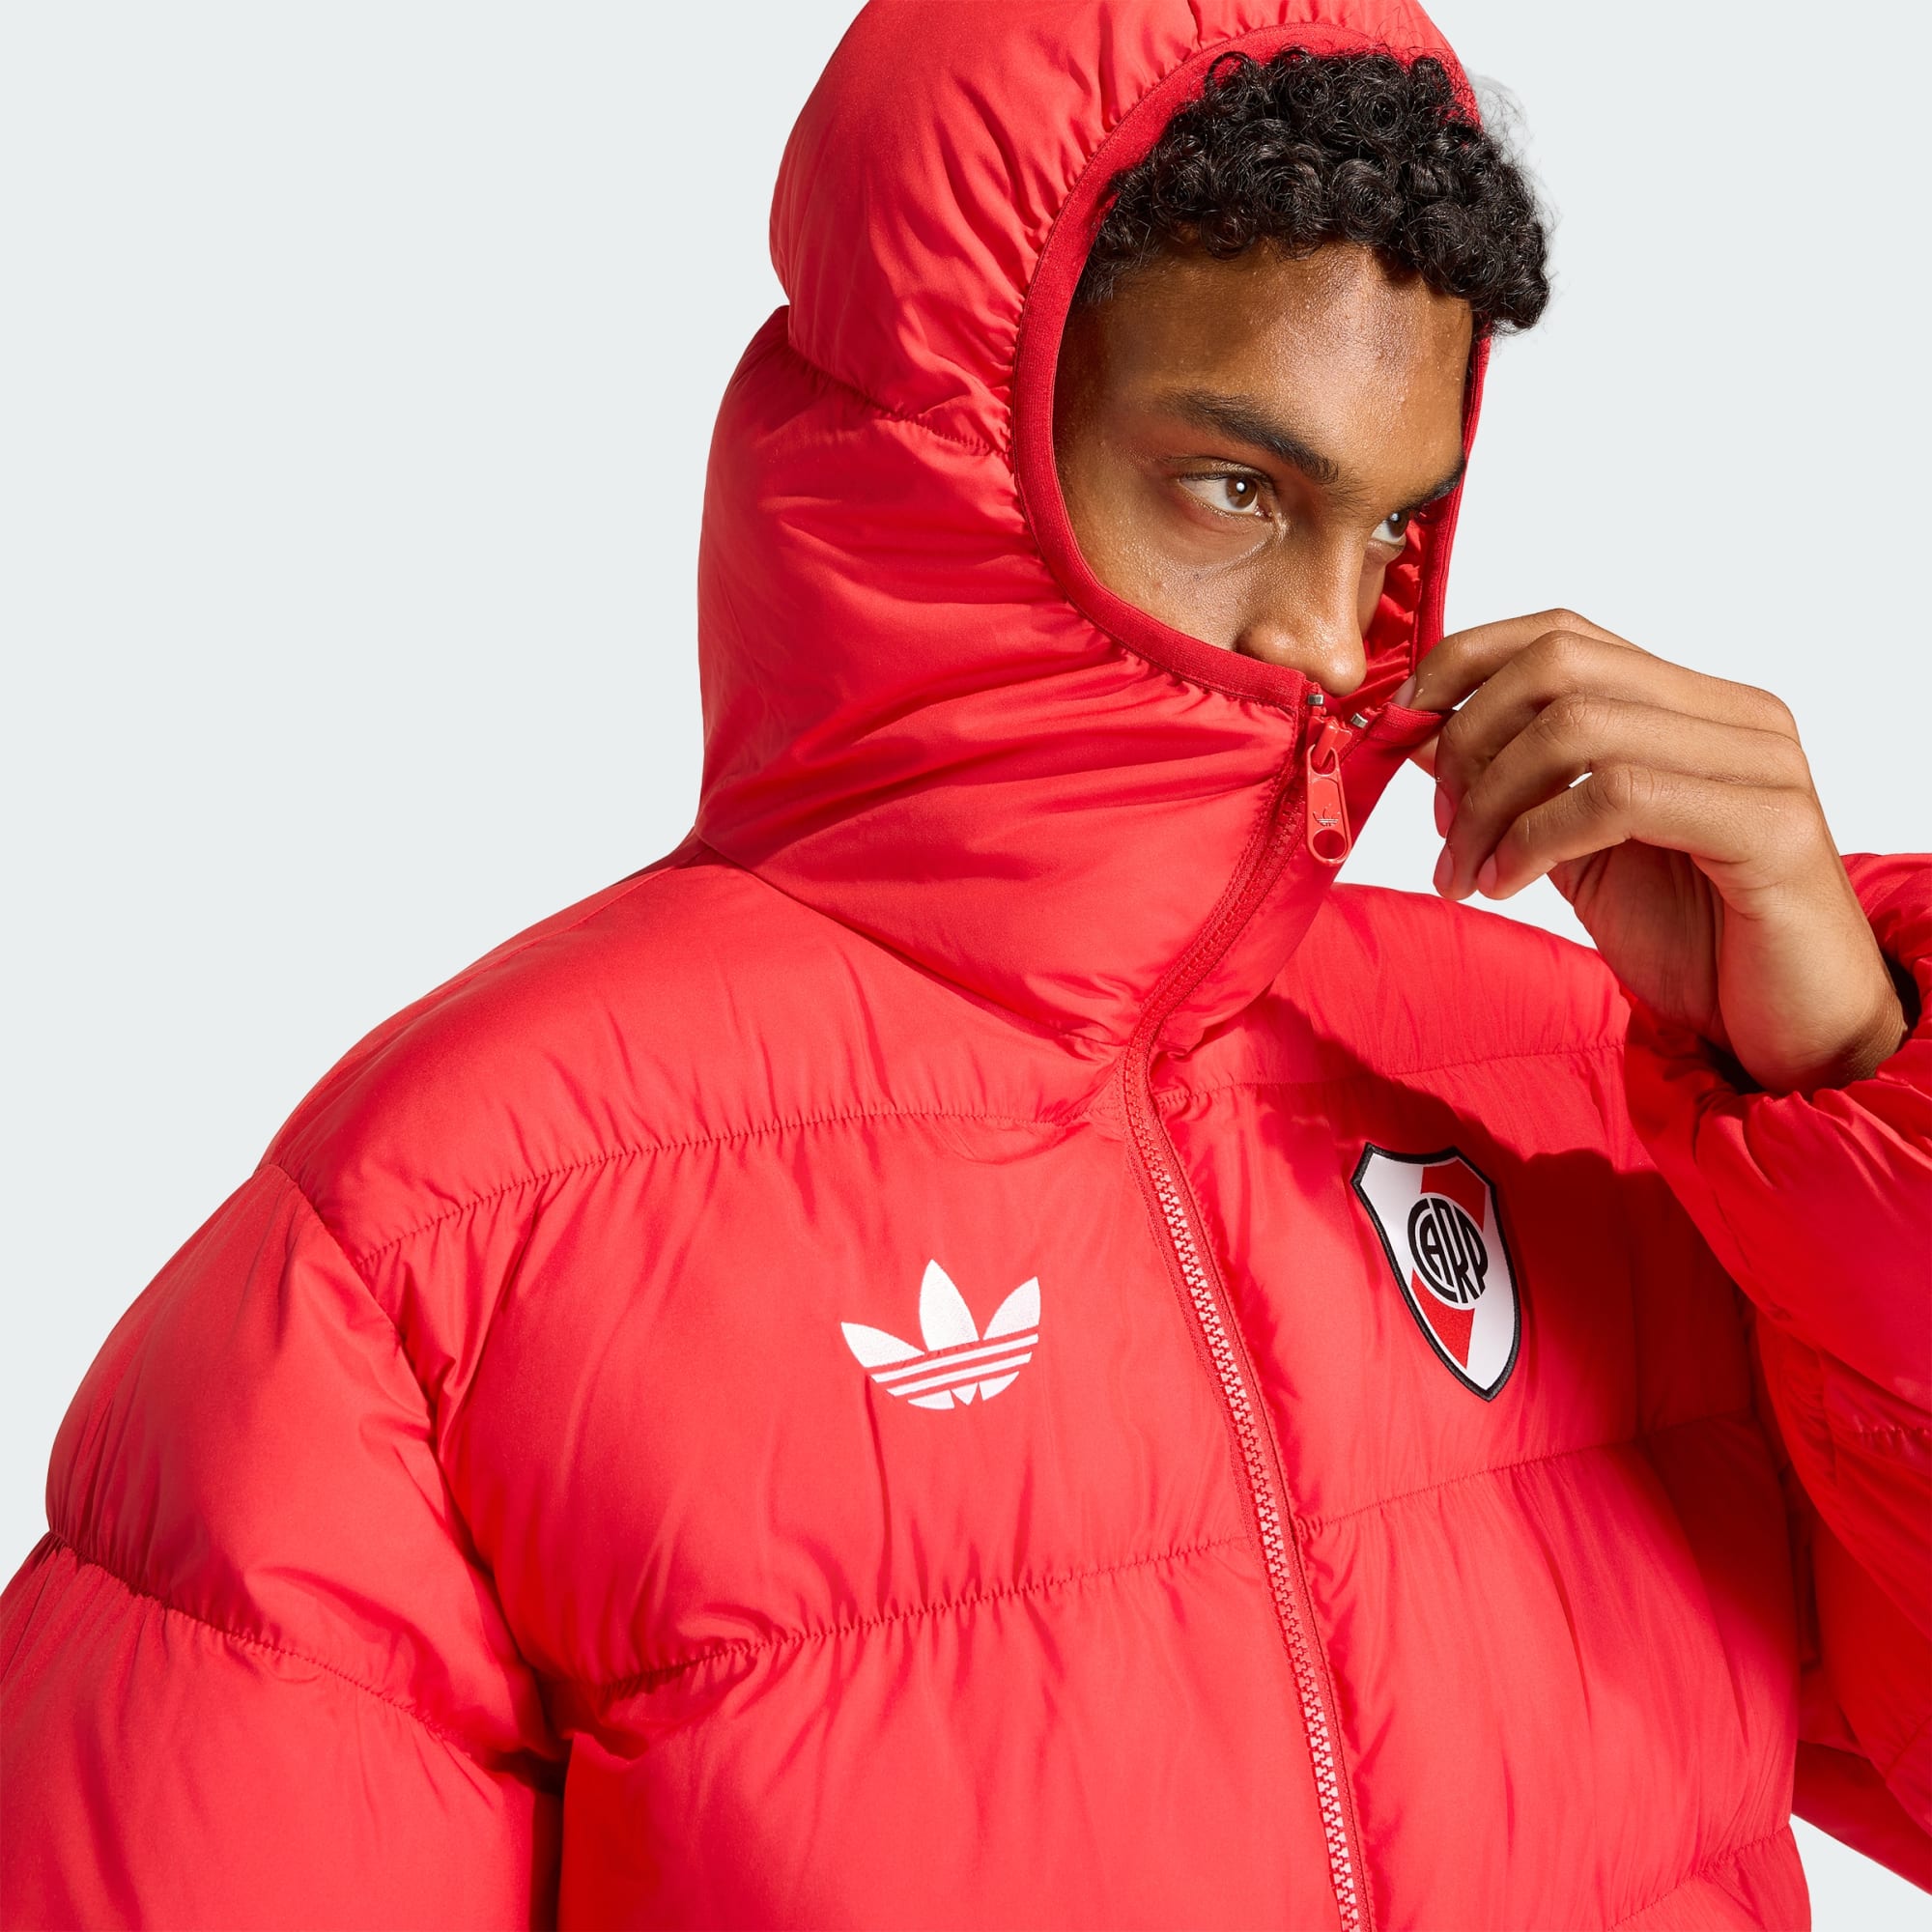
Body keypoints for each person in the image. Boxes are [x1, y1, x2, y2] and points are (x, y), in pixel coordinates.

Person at [3, 1, 1926, 1925]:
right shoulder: (443, 1231)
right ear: (962, 435)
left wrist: (1847, 1089)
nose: (1331, 639)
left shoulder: (1584, 1086)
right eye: (1236, 488)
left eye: (1392, 526)